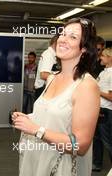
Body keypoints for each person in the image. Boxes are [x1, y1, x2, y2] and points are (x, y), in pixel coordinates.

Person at [12, 18, 100, 176]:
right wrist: (29, 119)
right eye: (63, 34)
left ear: (85, 48)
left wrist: (36, 130)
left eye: (73, 37)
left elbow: (79, 145)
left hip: (61, 167)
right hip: (38, 159)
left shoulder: (86, 85)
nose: (63, 39)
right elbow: (52, 117)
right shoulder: (52, 78)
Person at [92, 36, 106, 172]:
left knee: (100, 136)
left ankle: (98, 162)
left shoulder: (105, 65)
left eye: (99, 49)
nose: (97, 52)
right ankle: (94, 160)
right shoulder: (91, 61)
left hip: (103, 106)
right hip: (91, 101)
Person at [97, 48, 112, 166]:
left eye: (102, 55)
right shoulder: (102, 73)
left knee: (108, 142)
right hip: (99, 110)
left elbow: (111, 97)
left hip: (107, 111)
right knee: (98, 140)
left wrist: (97, 91)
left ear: (109, 58)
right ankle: (97, 164)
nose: (100, 58)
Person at [34, 35, 59, 100]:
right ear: (56, 43)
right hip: (43, 90)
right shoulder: (49, 55)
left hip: (45, 89)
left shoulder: (52, 55)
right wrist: (62, 79)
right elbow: (43, 75)